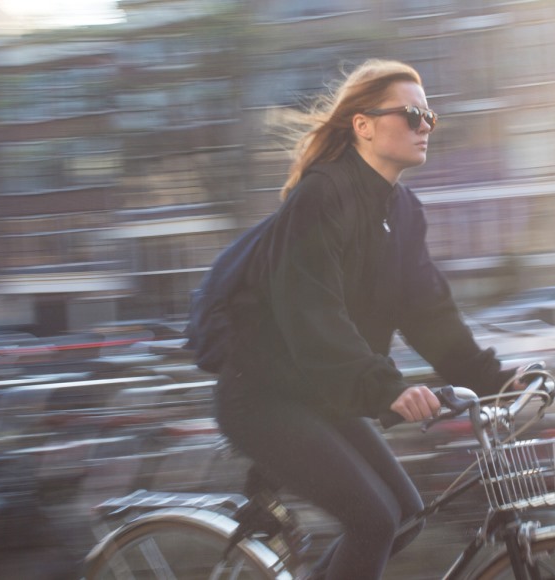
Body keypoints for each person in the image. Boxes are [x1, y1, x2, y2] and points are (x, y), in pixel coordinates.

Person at [214, 58, 521, 580]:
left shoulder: (402, 211)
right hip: (262, 396)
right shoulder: (321, 196)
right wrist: (385, 388)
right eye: (410, 114)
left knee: (407, 515)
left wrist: (494, 380)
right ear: (364, 125)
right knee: (376, 519)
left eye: (430, 116)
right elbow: (313, 314)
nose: (425, 126)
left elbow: (429, 312)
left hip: (324, 393)